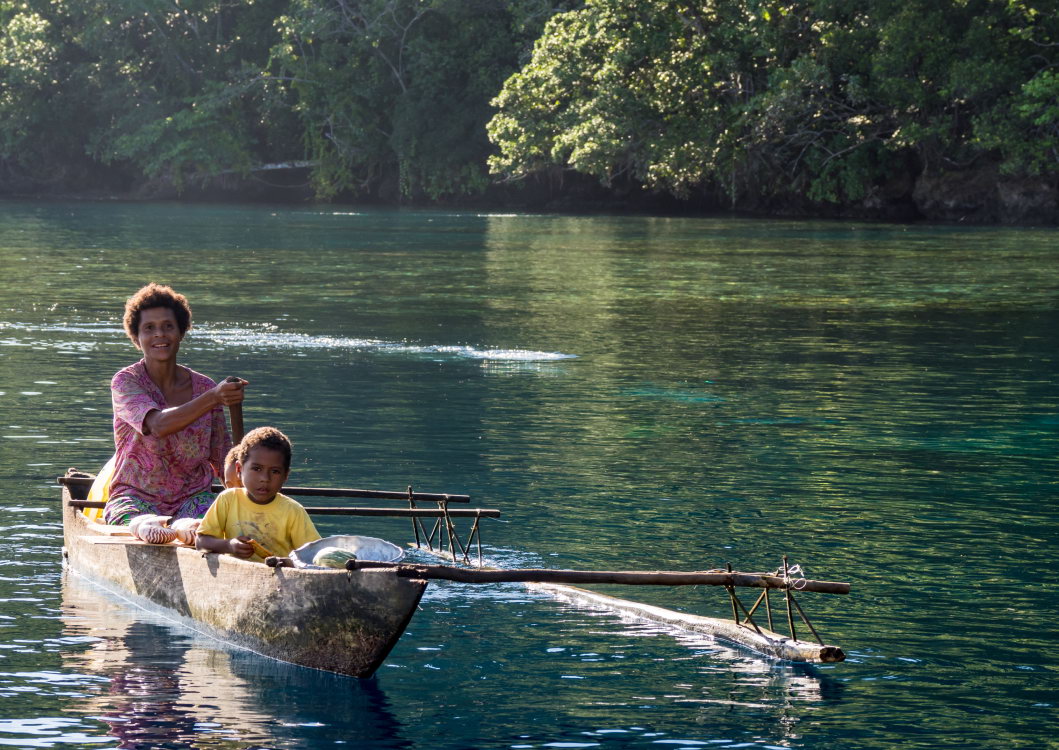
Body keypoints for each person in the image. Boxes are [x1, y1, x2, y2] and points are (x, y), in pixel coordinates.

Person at [103, 283, 247, 526]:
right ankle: (154, 529)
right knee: (144, 527)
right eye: (149, 328)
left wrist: (246, 489)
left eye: (168, 326)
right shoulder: (126, 381)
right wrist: (214, 397)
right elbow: (157, 425)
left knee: (206, 528)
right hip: (135, 497)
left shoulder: (204, 386)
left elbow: (224, 460)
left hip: (194, 499)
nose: (159, 334)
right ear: (137, 337)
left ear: (181, 332)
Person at [197, 426, 320, 562]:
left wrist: (286, 563)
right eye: (256, 469)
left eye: (275, 471)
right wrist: (229, 545)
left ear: (285, 475)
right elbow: (201, 542)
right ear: (239, 469)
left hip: (279, 574)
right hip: (233, 573)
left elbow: (314, 556)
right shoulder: (228, 499)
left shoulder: (293, 511)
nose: (265, 478)